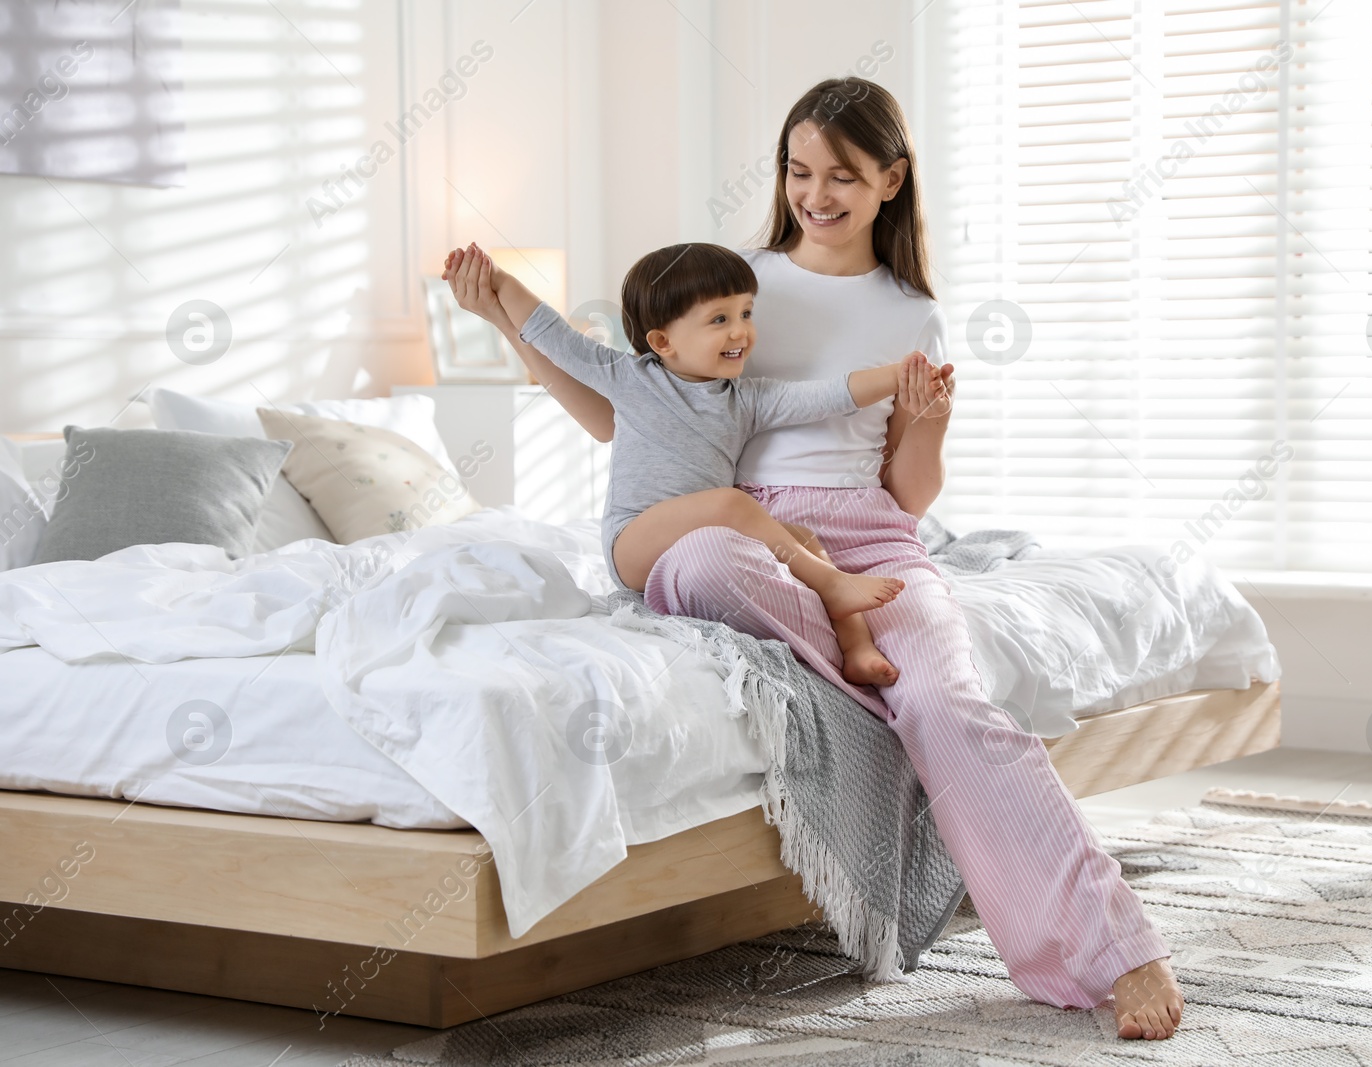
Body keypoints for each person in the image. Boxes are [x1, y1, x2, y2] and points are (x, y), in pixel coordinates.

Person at [443, 76, 1185, 1041]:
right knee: (706, 565)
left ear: (891, 180)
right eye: (798, 171)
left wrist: (930, 427)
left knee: (945, 700)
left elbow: (912, 493)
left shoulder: (913, 311)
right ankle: (865, 666)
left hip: (873, 540)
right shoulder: (729, 280)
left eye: (842, 174)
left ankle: (1117, 949)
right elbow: (616, 415)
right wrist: (507, 320)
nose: (816, 193)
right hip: (742, 532)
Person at [445, 240, 947, 686]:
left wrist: (903, 373)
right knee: (732, 504)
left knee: (805, 541)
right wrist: (500, 282)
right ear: (663, 342)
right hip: (634, 542)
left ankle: (856, 646)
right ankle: (832, 585)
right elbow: (551, 332)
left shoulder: (744, 400)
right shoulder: (629, 377)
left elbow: (829, 395)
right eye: (720, 320)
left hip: (700, 543)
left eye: (746, 313)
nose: (742, 332)